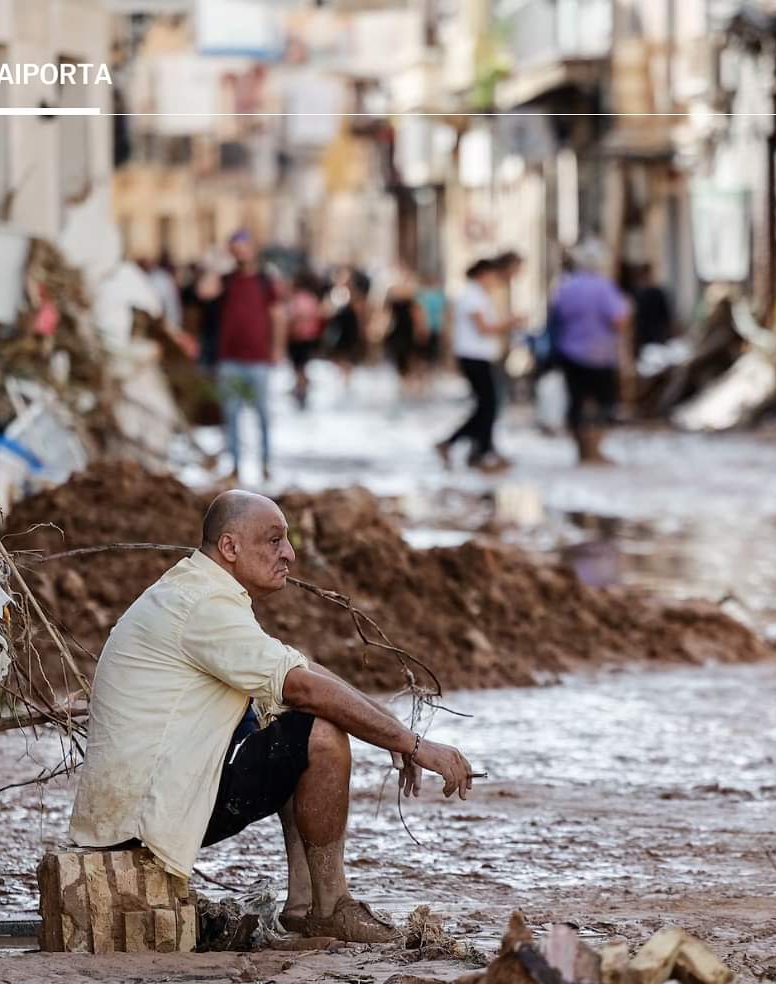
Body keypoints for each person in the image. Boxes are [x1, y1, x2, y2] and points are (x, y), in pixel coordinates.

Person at [69, 490, 474, 942]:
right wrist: (413, 745)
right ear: (230, 548)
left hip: (136, 807)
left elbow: (302, 671)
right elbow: (305, 688)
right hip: (145, 816)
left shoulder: (198, 590)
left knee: (290, 718)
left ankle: (302, 906)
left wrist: (398, 735)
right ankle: (329, 906)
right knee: (318, 731)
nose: (290, 554)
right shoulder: (204, 606)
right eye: (275, 541)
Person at [197, 230, 285, 480]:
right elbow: (205, 292)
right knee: (232, 416)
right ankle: (235, 466)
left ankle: (265, 464)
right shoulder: (225, 280)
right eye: (235, 247)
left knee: (263, 416)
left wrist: (278, 349)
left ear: (253, 248)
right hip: (230, 360)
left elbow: (278, 316)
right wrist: (216, 263)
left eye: (243, 246)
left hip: (259, 360)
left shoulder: (266, 281)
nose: (240, 251)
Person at [435, 259, 521, 472]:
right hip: (473, 357)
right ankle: (457, 444)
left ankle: (479, 450)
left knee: (487, 406)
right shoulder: (471, 296)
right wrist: (510, 323)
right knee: (487, 406)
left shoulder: (480, 296)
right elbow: (483, 328)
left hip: (480, 356)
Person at [550, 238, 631, 464]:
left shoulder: (565, 286)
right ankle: (594, 450)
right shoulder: (604, 287)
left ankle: (581, 451)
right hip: (600, 355)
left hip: (570, 352)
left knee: (576, 402)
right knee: (604, 403)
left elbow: (557, 316)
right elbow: (619, 319)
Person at [286, 268, 323, 409]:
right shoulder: (312, 298)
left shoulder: (297, 298)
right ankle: (301, 387)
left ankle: (301, 389)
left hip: (298, 338)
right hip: (308, 337)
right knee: (302, 366)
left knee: (299, 366)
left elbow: (293, 316)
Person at [416, 273, 447, 369]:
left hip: (435, 327)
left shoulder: (439, 295)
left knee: (432, 353)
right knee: (424, 353)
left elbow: (443, 312)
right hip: (426, 327)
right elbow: (419, 312)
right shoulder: (422, 295)